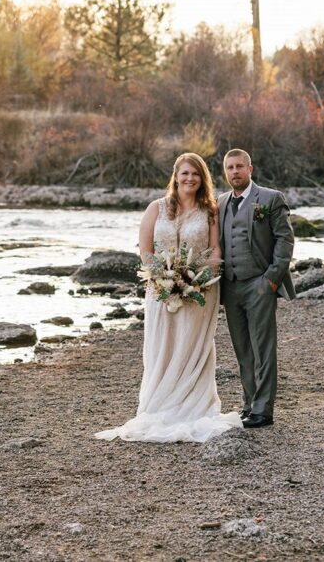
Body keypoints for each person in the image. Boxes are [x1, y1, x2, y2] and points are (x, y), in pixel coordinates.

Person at [94, 153, 243, 443]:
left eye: (195, 174)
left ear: (203, 179)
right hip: (159, 290)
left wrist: (198, 280)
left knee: (192, 346)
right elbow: (145, 250)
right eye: (185, 173)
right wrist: (163, 279)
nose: (190, 179)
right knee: (162, 347)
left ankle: (194, 404)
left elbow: (215, 251)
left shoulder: (209, 210)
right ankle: (159, 404)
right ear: (175, 176)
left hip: (200, 290)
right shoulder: (156, 208)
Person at [217, 148, 295, 429]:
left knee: (263, 348)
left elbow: (285, 240)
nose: (234, 172)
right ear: (225, 172)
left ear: (250, 169)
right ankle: (249, 404)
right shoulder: (221, 202)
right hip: (231, 286)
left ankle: (263, 409)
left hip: (259, 284)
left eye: (239, 166)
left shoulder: (271, 199)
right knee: (242, 349)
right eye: (230, 168)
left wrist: (271, 279)